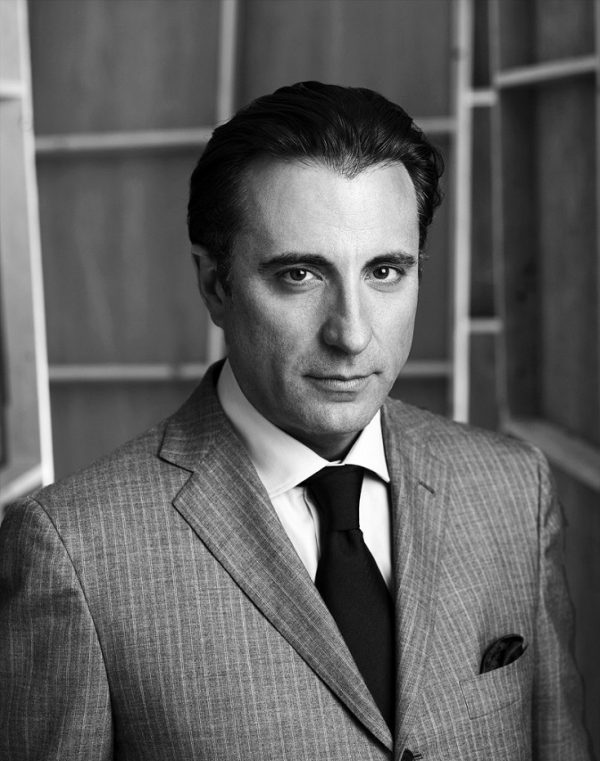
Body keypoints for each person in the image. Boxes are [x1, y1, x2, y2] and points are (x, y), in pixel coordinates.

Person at [0, 82, 591, 761]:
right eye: (300, 275)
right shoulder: (74, 553)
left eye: (385, 271)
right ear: (215, 285)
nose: (351, 334)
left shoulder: (513, 490)